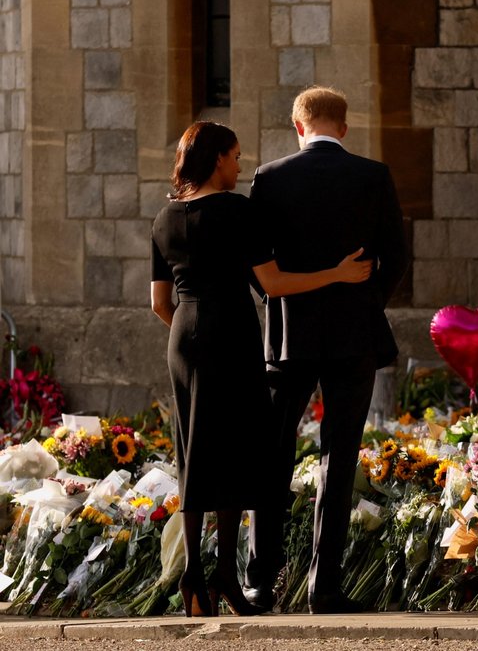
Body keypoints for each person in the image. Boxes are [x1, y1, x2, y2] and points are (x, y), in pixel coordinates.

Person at [150, 121, 373, 618]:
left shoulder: (165, 217)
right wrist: (336, 273)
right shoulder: (236, 211)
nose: (239, 165)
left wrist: (190, 330)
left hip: (182, 335)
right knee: (236, 448)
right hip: (231, 334)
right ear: (215, 161)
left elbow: (158, 302)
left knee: (193, 446)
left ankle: (194, 577)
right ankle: (226, 573)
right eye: (233, 156)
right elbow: (273, 284)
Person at [244, 86, 407, 614]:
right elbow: (397, 258)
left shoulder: (269, 178)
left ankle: (260, 582)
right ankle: (324, 586)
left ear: (298, 127)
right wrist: (364, 301)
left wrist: (281, 308)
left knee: (272, 455)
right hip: (353, 336)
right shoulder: (373, 176)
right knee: (338, 459)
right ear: (343, 126)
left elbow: (256, 267)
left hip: (289, 337)